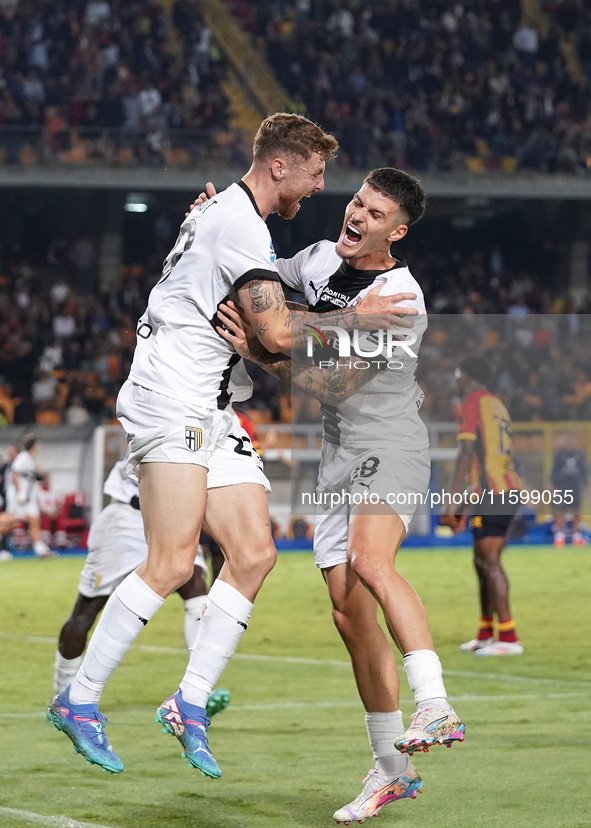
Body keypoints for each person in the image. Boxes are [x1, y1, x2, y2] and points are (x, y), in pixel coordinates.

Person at [47, 113, 415, 778]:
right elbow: (274, 334)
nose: (321, 187)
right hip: (173, 396)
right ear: (281, 166)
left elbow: (264, 311)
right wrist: (353, 318)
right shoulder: (239, 222)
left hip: (214, 406)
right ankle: (78, 699)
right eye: (316, 173)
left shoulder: (234, 216)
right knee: (169, 560)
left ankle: (187, 703)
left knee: (252, 553)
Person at [215, 168, 465, 823]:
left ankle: (434, 701)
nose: (355, 215)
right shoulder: (319, 258)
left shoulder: (401, 298)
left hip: (388, 439)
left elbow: (332, 383)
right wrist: (223, 218)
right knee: (348, 614)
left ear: (396, 231)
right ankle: (390, 768)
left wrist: (269, 351)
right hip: (335, 457)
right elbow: (260, 290)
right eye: (356, 201)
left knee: (370, 563)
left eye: (374, 213)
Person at [52, 458, 229, 717]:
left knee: (197, 591)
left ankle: (196, 692)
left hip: (170, 519)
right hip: (126, 519)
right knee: (87, 609)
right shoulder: (157, 419)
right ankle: (62, 695)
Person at [440, 356, 524, 657]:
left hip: (495, 491)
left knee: (489, 561)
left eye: (457, 374)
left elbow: (466, 453)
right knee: (481, 562)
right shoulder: (497, 403)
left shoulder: (472, 401)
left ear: (467, 376)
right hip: (500, 487)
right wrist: (466, 499)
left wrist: (450, 499)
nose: (456, 381)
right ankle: (487, 632)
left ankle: (509, 637)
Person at [7, 434, 53, 558]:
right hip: (19, 497)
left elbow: (31, 478)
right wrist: (19, 493)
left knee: (34, 521)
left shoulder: (31, 460)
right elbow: (14, 475)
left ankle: (41, 551)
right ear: (34, 446)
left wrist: (38, 473)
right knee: (10, 522)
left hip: (28, 498)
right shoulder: (23, 457)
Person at [551, 431, 588, 547]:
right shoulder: (558, 455)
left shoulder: (580, 455)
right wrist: (553, 488)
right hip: (562, 487)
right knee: (560, 511)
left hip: (576, 487)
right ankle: (559, 537)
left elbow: (584, 473)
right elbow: (553, 473)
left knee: (576, 511)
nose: (569, 442)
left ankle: (577, 537)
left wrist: (585, 486)